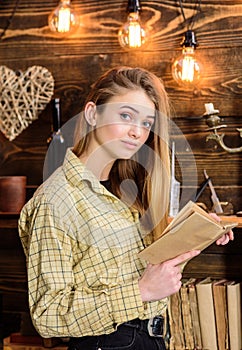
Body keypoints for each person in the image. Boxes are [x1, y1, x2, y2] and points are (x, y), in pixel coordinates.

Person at [18, 66, 233, 350]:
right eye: (126, 116)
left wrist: (197, 234)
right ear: (93, 113)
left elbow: (140, 272)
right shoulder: (55, 200)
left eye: (146, 123)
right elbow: (48, 315)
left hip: (153, 339)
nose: (137, 132)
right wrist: (141, 291)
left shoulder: (128, 189)